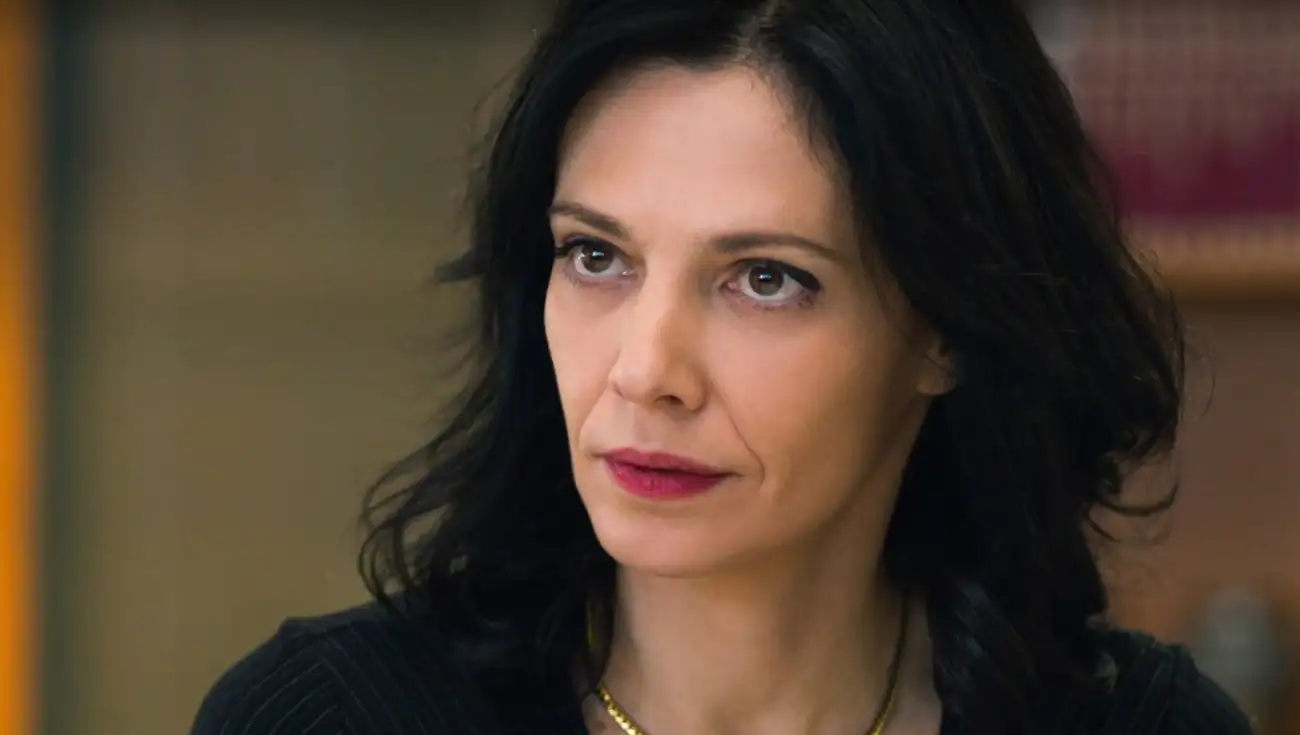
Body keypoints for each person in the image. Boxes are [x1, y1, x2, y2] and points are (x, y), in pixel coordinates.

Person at [191, 1, 1255, 733]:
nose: (646, 370)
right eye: (595, 256)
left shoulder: (1143, 725)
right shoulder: (327, 716)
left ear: (947, 328)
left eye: (764, 279)